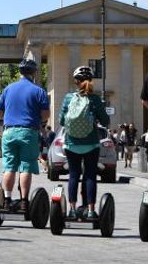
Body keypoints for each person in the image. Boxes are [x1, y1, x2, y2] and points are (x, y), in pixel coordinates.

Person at [0, 59, 50, 212]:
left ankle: (6, 200)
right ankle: (24, 202)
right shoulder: (39, 91)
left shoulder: (8, 89)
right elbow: (46, 115)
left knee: (9, 167)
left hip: (9, 132)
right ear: (34, 73)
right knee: (26, 167)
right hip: (28, 132)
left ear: (20, 72)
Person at [59, 66, 110, 219]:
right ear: (91, 80)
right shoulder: (94, 99)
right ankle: (90, 210)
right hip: (91, 144)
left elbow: (61, 121)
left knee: (74, 175)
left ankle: (72, 210)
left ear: (76, 82)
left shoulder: (68, 98)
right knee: (90, 176)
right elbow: (105, 121)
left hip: (71, 144)